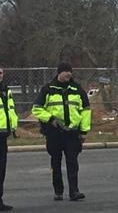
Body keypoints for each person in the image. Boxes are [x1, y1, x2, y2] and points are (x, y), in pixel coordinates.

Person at [31, 62, 91, 202]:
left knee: (73, 162)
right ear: (59, 73)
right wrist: (50, 119)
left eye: (70, 72)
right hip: (54, 133)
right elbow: (37, 108)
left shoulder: (77, 89)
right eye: (66, 71)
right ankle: (58, 191)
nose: (69, 74)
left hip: (72, 133)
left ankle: (74, 191)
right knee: (55, 162)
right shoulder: (48, 89)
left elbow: (86, 111)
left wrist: (84, 131)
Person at [0, 67, 18, 211]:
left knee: (1, 170)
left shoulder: (6, 90)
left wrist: (13, 127)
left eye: (0, 72)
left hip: (3, 135)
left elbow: (10, 110)